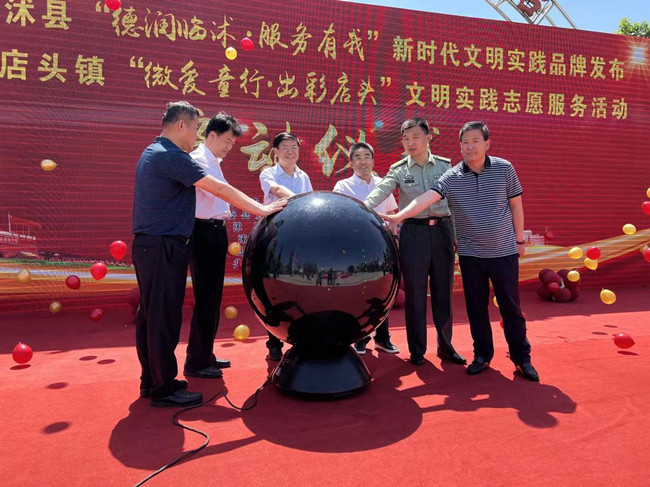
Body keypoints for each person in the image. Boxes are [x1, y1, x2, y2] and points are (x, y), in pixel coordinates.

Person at [132, 101, 286, 407]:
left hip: (156, 243)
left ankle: (152, 381)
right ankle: (163, 388)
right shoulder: (171, 155)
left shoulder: (154, 151)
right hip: (163, 244)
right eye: (195, 128)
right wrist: (262, 209)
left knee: (152, 315)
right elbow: (219, 189)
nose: (196, 136)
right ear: (181, 125)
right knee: (162, 317)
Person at [380, 121, 539, 381]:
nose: (469, 147)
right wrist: (400, 216)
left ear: (487, 143)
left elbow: (516, 206)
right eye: (465, 142)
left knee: (510, 307)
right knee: (476, 309)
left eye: (475, 141)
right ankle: (482, 355)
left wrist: (519, 241)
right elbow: (426, 198)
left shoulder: (504, 168)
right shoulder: (452, 176)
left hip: (503, 252)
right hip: (471, 254)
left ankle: (522, 358)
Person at [365, 118, 465, 367]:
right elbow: (380, 192)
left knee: (443, 292)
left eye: (416, 137)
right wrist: (362, 207)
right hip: (413, 234)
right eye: (406, 139)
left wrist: (454, 235)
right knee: (415, 294)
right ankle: (417, 350)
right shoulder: (399, 169)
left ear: (428, 138)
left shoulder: (445, 166)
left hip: (442, 232)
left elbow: (453, 203)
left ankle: (446, 347)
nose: (411, 143)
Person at [184, 112, 242, 380]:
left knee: (213, 298)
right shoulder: (198, 160)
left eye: (233, 143)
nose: (230, 146)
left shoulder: (214, 161)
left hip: (216, 231)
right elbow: (218, 192)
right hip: (203, 231)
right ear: (211, 136)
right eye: (227, 140)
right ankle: (196, 362)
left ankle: (205, 353)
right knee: (206, 298)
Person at [333, 141, 399, 355]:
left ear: (373, 160)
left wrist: (395, 239)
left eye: (366, 157)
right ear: (351, 163)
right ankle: (359, 337)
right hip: (354, 248)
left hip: (382, 246)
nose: (363, 161)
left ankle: (383, 338)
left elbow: (392, 215)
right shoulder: (342, 186)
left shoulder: (383, 184)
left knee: (383, 290)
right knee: (358, 292)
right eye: (358, 158)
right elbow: (338, 216)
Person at [259, 132, 313, 361]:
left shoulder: (304, 176)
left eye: (294, 147)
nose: (291, 151)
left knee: (299, 288)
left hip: (299, 239)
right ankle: (274, 343)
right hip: (275, 237)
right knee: (273, 291)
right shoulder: (268, 173)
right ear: (276, 151)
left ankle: (300, 337)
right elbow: (278, 191)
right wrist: (302, 201)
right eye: (285, 147)